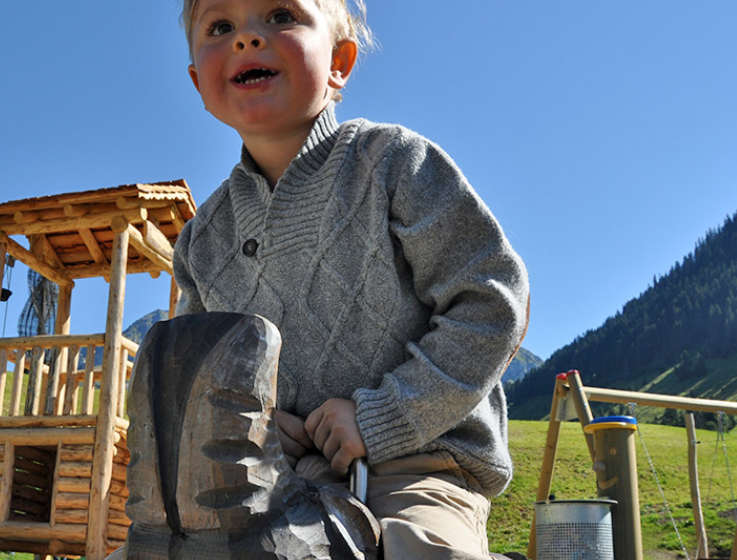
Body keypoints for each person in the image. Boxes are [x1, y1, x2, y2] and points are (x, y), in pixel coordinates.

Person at [171, 0, 530, 558]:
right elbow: (200, 385)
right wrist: (258, 429)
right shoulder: (202, 239)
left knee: (424, 551)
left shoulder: (393, 164)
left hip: (419, 467)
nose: (247, 39)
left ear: (339, 61)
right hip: (273, 484)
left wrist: (382, 415)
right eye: (221, 27)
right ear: (198, 81)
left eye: (281, 16)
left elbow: (491, 302)